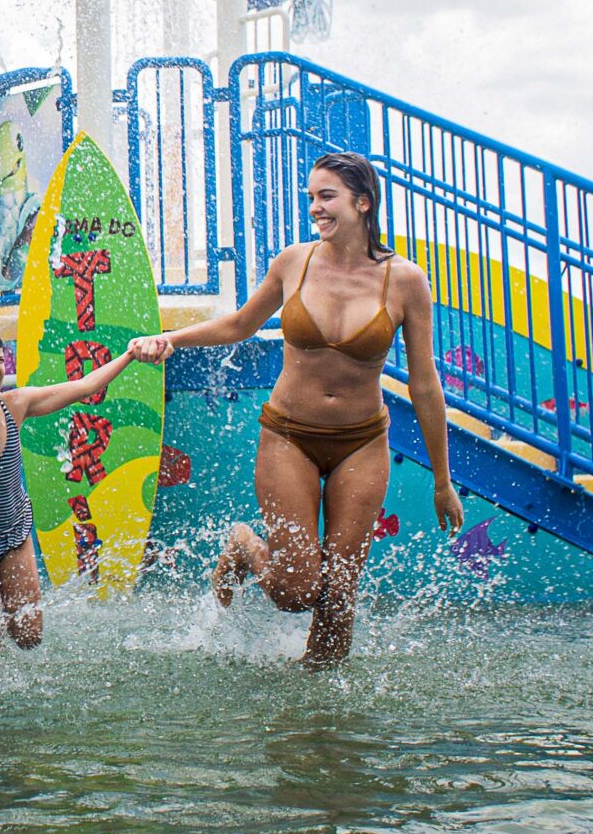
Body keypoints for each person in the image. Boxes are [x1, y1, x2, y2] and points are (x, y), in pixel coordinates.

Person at [129, 150, 463, 667]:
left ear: (363, 202)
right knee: (295, 589)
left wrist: (443, 482)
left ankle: (319, 723)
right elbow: (240, 325)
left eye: (326, 196)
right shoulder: (294, 262)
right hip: (289, 436)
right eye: (311, 198)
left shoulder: (406, 281)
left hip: (362, 442)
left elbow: (424, 384)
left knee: (339, 593)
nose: (315, 208)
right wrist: (171, 338)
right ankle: (244, 545)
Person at [0, 323, 145, 666]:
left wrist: (129, 355)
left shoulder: (16, 405)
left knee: (29, 635)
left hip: (14, 533)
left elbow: (83, 386)